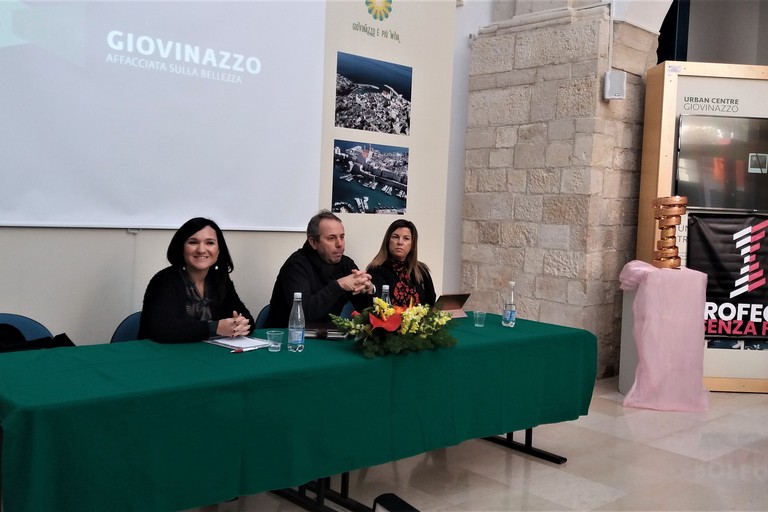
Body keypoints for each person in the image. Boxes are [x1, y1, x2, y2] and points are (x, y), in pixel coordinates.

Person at [138, 217, 255, 343]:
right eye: (193, 242)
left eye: (210, 243)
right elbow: (161, 330)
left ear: (219, 250)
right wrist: (215, 328)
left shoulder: (219, 278)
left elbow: (248, 321)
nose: (201, 250)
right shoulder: (164, 281)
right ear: (181, 248)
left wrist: (240, 324)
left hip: (208, 354)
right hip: (162, 356)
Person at [265, 210, 375, 327]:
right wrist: (339, 285)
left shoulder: (346, 264)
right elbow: (303, 314)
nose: (339, 244)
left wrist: (369, 291)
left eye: (342, 237)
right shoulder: (295, 266)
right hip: (287, 337)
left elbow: (366, 311)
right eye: (331, 238)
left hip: (325, 336)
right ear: (313, 242)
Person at [367, 219, 436, 308]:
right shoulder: (376, 269)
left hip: (420, 321)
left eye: (406, 238)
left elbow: (431, 303)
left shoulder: (421, 270)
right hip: (388, 320)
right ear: (388, 241)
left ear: (412, 244)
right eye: (395, 237)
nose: (400, 242)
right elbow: (376, 304)